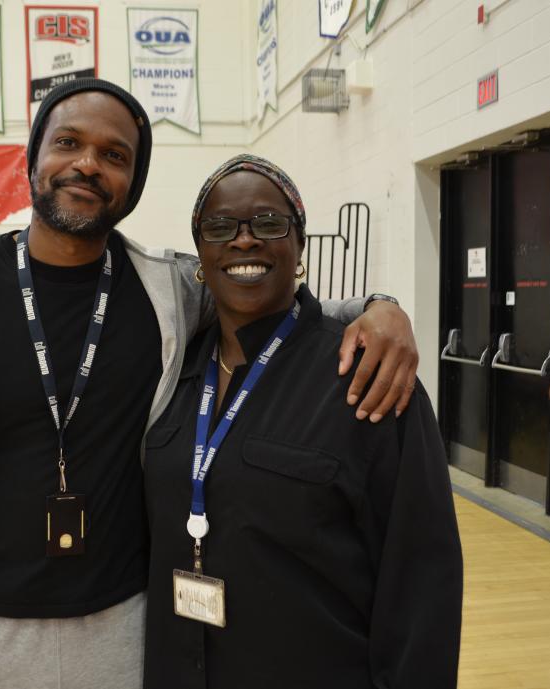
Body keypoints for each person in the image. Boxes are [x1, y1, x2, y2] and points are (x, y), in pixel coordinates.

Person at [0, 79, 420, 689]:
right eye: (68, 143)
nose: (87, 165)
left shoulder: (171, 291)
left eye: (114, 156)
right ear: (32, 160)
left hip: (130, 631)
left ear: (132, 183)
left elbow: (261, 290)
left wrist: (379, 307)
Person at [142, 155, 463, 689]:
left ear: (300, 245)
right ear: (200, 254)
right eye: (220, 227)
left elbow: (421, 582)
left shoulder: (367, 380)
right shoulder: (169, 372)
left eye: (268, 223)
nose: (244, 241)